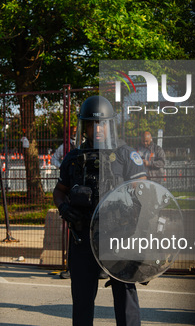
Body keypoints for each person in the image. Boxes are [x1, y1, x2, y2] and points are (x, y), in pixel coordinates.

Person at [53, 96, 147, 326]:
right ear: (83, 126)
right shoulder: (73, 158)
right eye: (91, 124)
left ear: (110, 125)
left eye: (102, 123)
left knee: (125, 295)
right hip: (82, 238)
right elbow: (59, 191)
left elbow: (144, 192)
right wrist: (63, 207)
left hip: (118, 237)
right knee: (82, 299)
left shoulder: (125, 155)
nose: (97, 129)